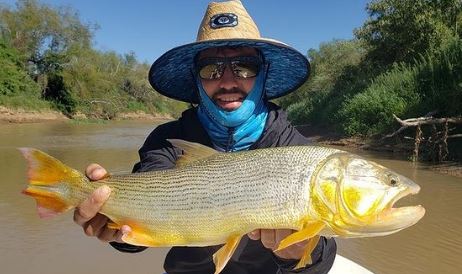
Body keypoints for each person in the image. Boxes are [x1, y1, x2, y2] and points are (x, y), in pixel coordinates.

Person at [74, 1, 336, 273]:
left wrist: (298, 254)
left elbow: (322, 260)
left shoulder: (299, 155)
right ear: (196, 79)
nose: (227, 81)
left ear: (264, 74)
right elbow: (144, 217)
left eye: (245, 67)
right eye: (211, 69)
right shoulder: (168, 141)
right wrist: (114, 228)